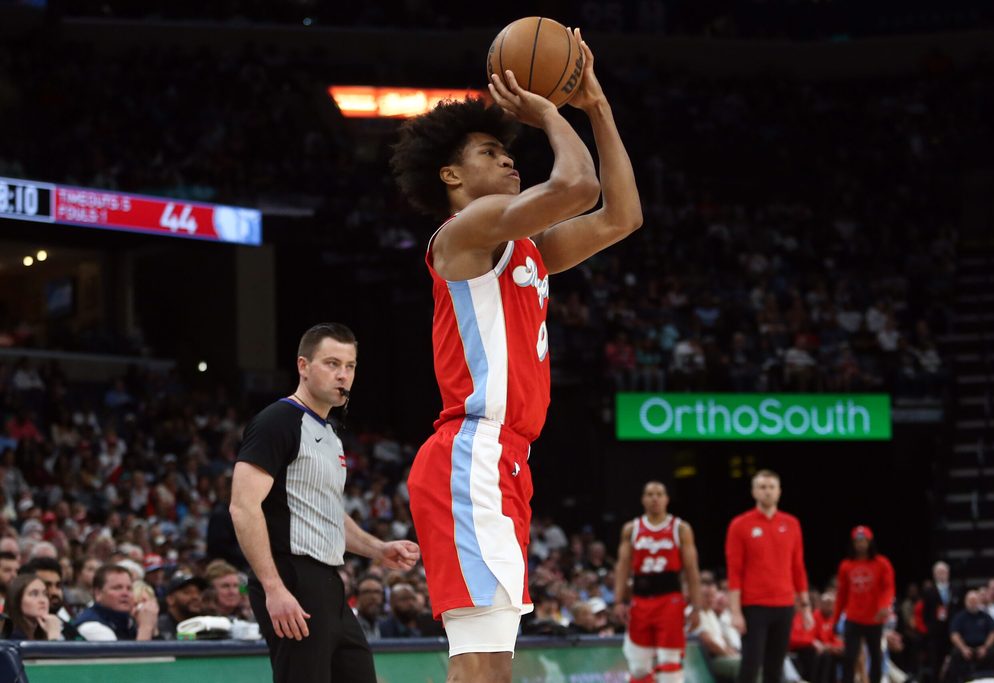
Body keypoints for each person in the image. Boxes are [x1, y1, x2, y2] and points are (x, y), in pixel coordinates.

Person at [391, 27, 642, 682]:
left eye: (508, 151)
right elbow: (579, 186)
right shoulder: (463, 232)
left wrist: (599, 107)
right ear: (452, 175)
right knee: (479, 665)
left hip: (505, 460)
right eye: (490, 151)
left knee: (490, 665)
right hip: (470, 452)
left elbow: (621, 217)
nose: (509, 160)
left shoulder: (525, 247)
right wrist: (552, 113)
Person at [230, 323, 419, 683]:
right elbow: (242, 506)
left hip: (330, 584)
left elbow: (327, 513)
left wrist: (378, 549)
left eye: (350, 366)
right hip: (292, 577)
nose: (343, 375)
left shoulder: (330, 434)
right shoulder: (277, 421)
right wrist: (273, 588)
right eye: (332, 364)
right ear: (303, 365)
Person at [726, 470, 813, 683]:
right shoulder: (740, 525)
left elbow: (798, 567)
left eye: (771, 487)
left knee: (775, 668)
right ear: (754, 492)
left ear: (779, 492)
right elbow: (734, 571)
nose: (767, 492)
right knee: (750, 665)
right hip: (754, 606)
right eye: (762, 487)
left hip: (784, 605)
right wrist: (736, 612)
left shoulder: (792, 523)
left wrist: (806, 607)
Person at [613, 481, 702, 682]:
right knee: (638, 666)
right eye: (650, 494)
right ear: (643, 499)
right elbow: (622, 568)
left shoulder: (680, 528)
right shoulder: (631, 529)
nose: (655, 498)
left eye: (659, 494)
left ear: (666, 499)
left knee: (669, 663)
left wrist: (697, 607)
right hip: (640, 601)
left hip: (670, 600)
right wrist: (618, 601)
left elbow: (692, 570)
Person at [834, 526, 895, 683]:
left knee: (876, 656)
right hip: (853, 617)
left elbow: (888, 587)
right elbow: (842, 595)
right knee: (849, 656)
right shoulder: (846, 565)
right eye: (857, 541)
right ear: (853, 544)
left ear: (870, 542)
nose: (860, 544)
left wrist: (884, 606)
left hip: (874, 618)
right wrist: (835, 619)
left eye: (863, 541)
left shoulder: (882, 563)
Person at [73, 563, 159, 641]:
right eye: (117, 588)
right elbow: (127, 658)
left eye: (129, 588)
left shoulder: (128, 621)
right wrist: (145, 628)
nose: (125, 593)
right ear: (98, 593)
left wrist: (153, 627)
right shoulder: (92, 627)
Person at [946, 590, 994, 683]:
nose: (973, 603)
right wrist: (963, 648)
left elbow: (993, 633)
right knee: (955, 654)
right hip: (965, 647)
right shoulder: (959, 617)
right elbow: (954, 634)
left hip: (983, 647)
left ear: (979, 602)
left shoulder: (985, 616)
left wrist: (985, 648)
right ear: (965, 602)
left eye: (975, 601)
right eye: (970, 601)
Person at [922, 561, 960, 682]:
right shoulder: (929, 591)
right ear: (934, 574)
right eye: (939, 572)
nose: (941, 575)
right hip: (936, 632)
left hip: (952, 630)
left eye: (944, 572)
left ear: (948, 573)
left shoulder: (955, 589)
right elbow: (925, 612)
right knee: (936, 660)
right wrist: (930, 628)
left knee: (953, 659)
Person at [1, 574, 62, 640]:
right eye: (34, 594)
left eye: (45, 594)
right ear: (16, 600)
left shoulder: (40, 633)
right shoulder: (12, 637)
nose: (42, 600)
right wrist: (53, 637)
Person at [156, 572, 208, 640]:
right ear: (170, 599)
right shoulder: (158, 627)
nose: (196, 597)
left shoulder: (207, 624)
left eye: (198, 593)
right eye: (187, 592)